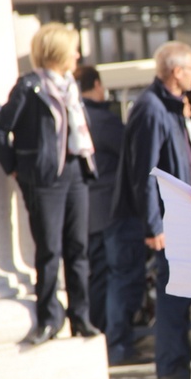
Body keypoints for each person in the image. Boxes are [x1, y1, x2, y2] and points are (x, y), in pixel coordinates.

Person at [0, 23, 100, 345]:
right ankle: (49, 318)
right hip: (44, 180)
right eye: (73, 49)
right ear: (58, 51)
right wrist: (16, 168)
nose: (78, 55)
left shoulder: (71, 86)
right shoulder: (30, 86)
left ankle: (81, 318)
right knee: (49, 251)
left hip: (77, 173)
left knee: (78, 250)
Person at [111, 41, 191, 379]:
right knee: (171, 293)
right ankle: (172, 365)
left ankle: (176, 361)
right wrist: (154, 224)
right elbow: (143, 171)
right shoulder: (150, 107)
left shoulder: (169, 105)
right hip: (165, 218)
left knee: (177, 291)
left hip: (176, 212)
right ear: (177, 72)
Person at [74, 65, 125, 332]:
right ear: (96, 85)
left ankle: (96, 329)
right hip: (109, 209)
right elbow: (130, 156)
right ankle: (112, 338)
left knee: (96, 276)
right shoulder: (103, 120)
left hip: (86, 209)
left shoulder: (76, 115)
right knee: (114, 276)